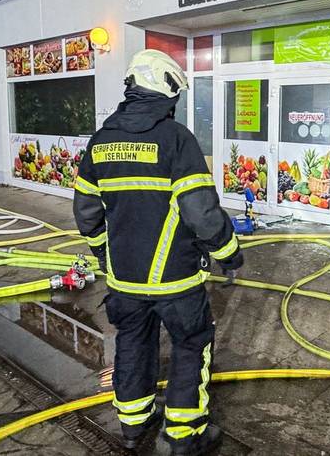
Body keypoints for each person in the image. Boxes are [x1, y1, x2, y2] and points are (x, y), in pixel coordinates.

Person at [74, 49, 242, 455]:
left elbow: (86, 212)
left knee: (133, 342)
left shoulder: (100, 143)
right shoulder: (176, 139)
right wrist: (229, 252)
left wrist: (104, 255)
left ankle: (133, 424)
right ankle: (184, 435)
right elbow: (201, 212)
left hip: (124, 282)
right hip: (176, 279)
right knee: (191, 344)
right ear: (167, 90)